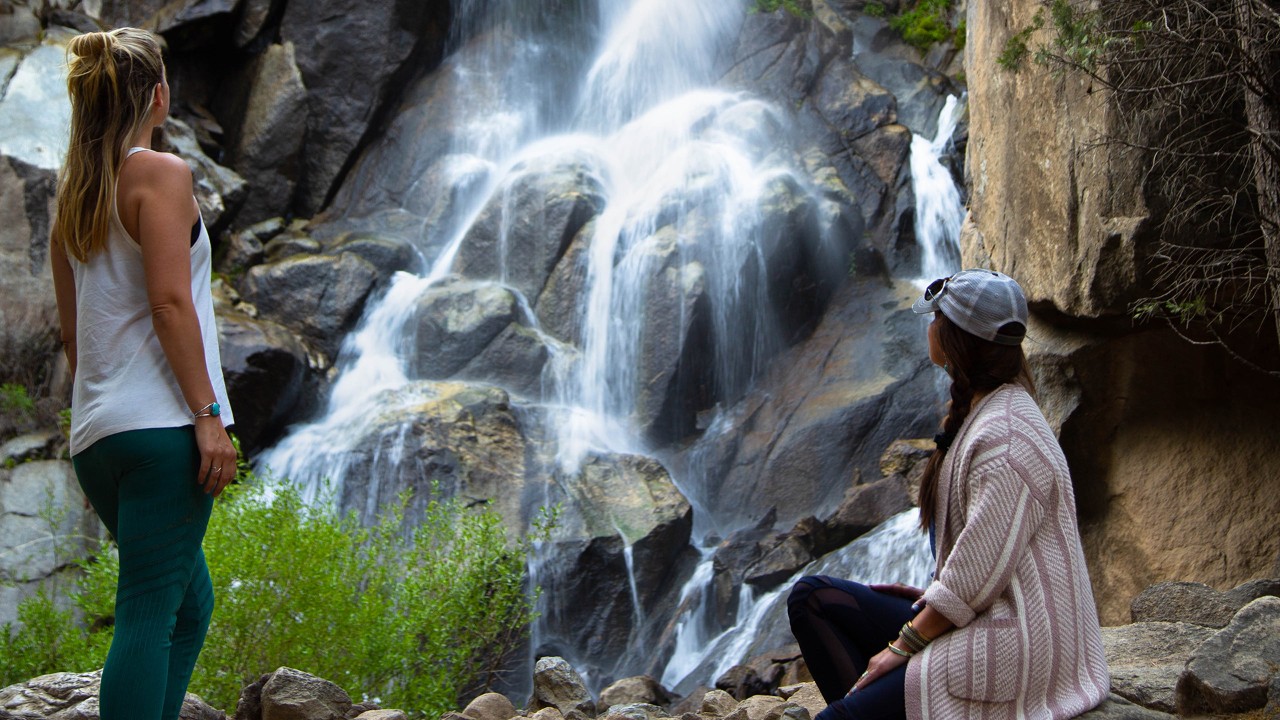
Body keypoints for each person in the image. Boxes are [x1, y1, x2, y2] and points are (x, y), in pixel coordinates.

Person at [787, 269, 1110, 720]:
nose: (928, 326)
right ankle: (867, 707)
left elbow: (975, 576)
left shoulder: (1009, 438)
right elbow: (981, 566)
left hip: (1019, 648)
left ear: (953, 337)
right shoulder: (986, 410)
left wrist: (900, 649)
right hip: (985, 614)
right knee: (812, 598)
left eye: (934, 317)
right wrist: (930, 595)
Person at [48, 27, 238, 720]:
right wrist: (207, 416)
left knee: (190, 604)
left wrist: (108, 408)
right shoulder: (161, 174)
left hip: (99, 438)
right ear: (157, 97)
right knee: (148, 613)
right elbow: (169, 301)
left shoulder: (74, 195)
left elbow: (75, 334)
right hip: (161, 431)